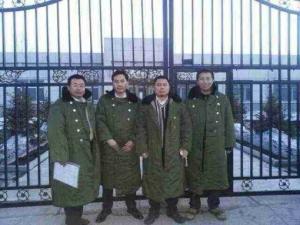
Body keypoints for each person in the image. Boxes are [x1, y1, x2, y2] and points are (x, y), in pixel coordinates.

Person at [136, 76, 191, 225]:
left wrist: (185, 146)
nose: (161, 87)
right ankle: (153, 210)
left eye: (164, 85)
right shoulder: (146, 105)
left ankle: (172, 210)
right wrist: (142, 148)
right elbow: (140, 128)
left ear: (169, 87)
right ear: (154, 87)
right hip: (152, 151)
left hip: (173, 150)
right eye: (158, 85)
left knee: (173, 180)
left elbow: (186, 127)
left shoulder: (178, 104)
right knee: (153, 180)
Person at [48, 74, 101, 225]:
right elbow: (55, 132)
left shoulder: (87, 104)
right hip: (71, 153)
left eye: (81, 85)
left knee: (81, 186)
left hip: (87, 151)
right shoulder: (60, 105)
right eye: (75, 85)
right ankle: (72, 221)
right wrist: (61, 156)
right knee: (70, 187)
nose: (79, 88)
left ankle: (76, 218)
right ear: (69, 87)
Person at [185, 69, 235, 220]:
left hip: (216, 145)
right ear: (197, 81)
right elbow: (185, 125)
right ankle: (194, 205)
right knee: (195, 175)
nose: (205, 81)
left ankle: (214, 205)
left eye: (208, 78)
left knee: (215, 175)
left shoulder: (222, 99)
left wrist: (228, 143)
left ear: (213, 80)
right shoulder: (191, 101)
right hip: (196, 146)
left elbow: (228, 121)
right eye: (202, 78)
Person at [95, 70, 143, 223]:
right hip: (110, 147)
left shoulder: (135, 101)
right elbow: (100, 120)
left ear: (127, 83)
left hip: (129, 148)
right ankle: (106, 208)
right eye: (116, 81)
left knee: (130, 178)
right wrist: (109, 139)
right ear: (112, 83)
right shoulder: (104, 100)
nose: (119, 84)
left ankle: (132, 207)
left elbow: (140, 123)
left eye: (122, 81)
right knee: (109, 178)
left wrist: (133, 140)